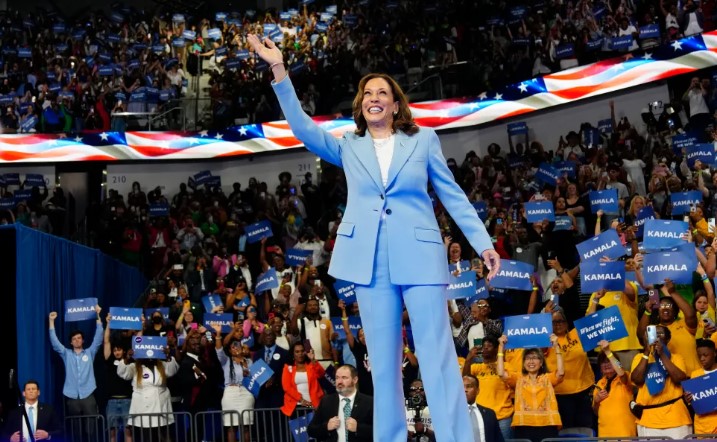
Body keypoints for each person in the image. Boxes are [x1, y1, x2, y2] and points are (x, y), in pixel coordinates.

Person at [247, 34, 500, 442]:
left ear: (396, 104)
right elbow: (302, 127)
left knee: (437, 358)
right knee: (382, 366)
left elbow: (452, 194)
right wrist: (279, 69)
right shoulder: (349, 145)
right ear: (361, 105)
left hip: (420, 257)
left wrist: (483, 242)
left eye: (382, 92)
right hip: (369, 262)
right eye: (367, 93)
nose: (374, 97)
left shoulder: (423, 139)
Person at [48, 306, 103, 440]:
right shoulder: (66, 354)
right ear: (71, 342)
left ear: (83, 340)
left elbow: (98, 337)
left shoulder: (90, 352)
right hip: (72, 395)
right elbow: (55, 343)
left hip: (88, 394)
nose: (77, 340)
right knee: (75, 429)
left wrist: (98, 315)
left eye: (79, 338)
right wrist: (51, 321)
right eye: (74, 339)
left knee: (91, 428)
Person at [496, 334, 564, 442]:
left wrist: (556, 346)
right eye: (527, 358)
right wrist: (501, 347)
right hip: (523, 426)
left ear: (541, 362)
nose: (531, 361)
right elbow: (500, 373)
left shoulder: (547, 378)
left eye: (535, 358)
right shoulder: (518, 379)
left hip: (548, 425)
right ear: (523, 363)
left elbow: (560, 373)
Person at [630, 325, 692, 438]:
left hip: (676, 418)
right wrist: (646, 353)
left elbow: (679, 379)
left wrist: (662, 355)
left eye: (660, 334)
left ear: (667, 339)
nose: (656, 337)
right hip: (647, 420)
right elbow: (636, 380)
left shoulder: (676, 358)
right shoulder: (639, 358)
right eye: (653, 334)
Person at [307, 364, 374, 441]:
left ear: (355, 380)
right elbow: (311, 430)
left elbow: (379, 431)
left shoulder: (369, 402)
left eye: (344, 378)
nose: (339, 382)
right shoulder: (326, 401)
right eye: (337, 378)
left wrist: (358, 428)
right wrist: (326, 427)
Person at [212, 324, 255, 442]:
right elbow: (219, 350)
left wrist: (247, 369)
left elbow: (255, 377)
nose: (235, 348)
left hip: (246, 393)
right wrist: (218, 334)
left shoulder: (249, 362)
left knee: (245, 427)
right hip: (230, 394)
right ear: (230, 351)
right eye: (233, 347)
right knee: (231, 427)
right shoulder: (226, 361)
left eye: (237, 346)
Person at [592, 340, 636, 438]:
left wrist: (608, 352)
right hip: (604, 434)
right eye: (603, 363)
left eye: (609, 361)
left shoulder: (624, 376)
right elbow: (596, 411)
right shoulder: (599, 383)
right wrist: (596, 401)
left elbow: (621, 372)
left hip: (624, 433)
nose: (606, 364)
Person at [281, 341, 325, 418]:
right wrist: (301, 400)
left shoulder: (311, 365)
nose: (300, 354)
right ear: (293, 353)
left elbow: (321, 374)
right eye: (297, 352)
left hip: (313, 404)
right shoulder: (288, 367)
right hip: (296, 406)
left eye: (302, 351)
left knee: (315, 425)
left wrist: (313, 359)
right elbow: (286, 387)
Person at [683, 339, 717, 435]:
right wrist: (688, 399)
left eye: (705, 355)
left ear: (714, 354)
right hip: (702, 426)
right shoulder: (695, 375)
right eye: (699, 356)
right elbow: (693, 402)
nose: (702, 359)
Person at [463, 375, 505, 442]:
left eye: (469, 386)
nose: (464, 390)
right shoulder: (453, 414)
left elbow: (498, 439)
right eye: (462, 387)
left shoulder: (489, 414)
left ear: (477, 391)